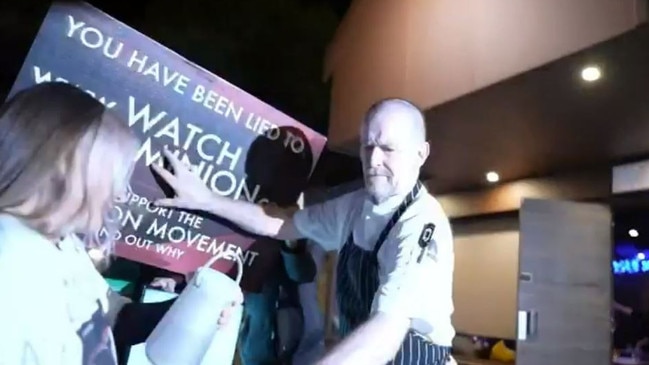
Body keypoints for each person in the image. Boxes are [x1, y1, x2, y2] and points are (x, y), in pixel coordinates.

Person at [153, 97, 455, 364]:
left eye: (388, 148)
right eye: (368, 146)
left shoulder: (420, 224)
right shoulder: (353, 207)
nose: (374, 160)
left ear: (420, 153)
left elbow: (386, 332)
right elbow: (284, 223)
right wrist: (207, 200)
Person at [0, 82, 238, 365]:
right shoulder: (9, 263)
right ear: (66, 167)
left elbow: (111, 314)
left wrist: (185, 309)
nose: (123, 194)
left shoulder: (63, 242)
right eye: (113, 176)